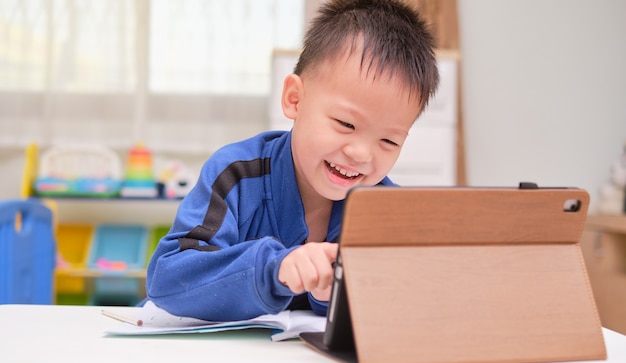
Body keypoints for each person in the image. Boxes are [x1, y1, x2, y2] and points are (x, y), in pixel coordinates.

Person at [146, 0, 440, 321]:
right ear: (294, 99)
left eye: (388, 141)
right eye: (346, 124)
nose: (361, 154)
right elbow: (167, 277)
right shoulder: (237, 174)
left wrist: (339, 295)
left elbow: (399, 306)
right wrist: (276, 269)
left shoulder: (385, 209)